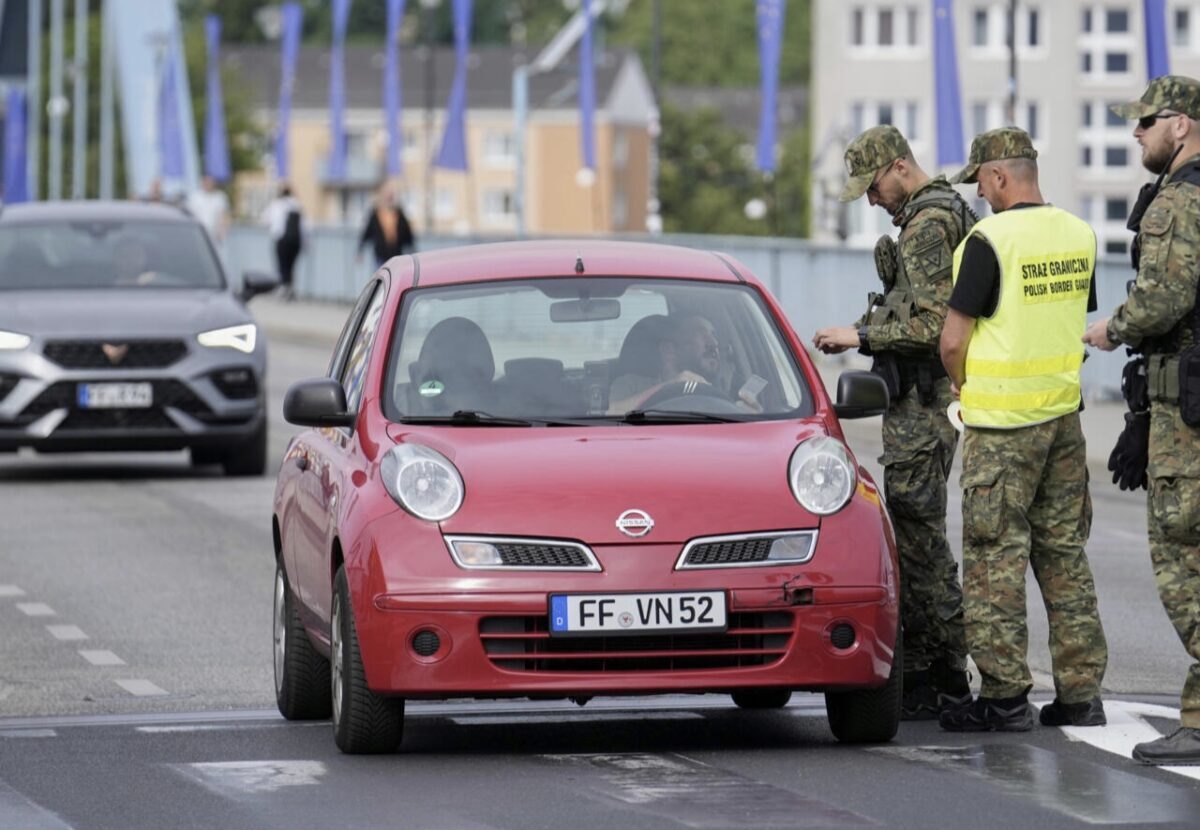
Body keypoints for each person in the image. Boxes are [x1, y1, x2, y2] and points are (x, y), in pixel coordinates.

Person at [939, 127, 1108, 732]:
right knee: (1064, 553)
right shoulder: (1078, 233)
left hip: (1003, 426)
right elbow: (1068, 317)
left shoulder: (989, 240)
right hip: (1064, 419)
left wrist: (960, 383)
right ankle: (1081, 695)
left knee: (993, 558)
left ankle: (1005, 696)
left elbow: (954, 338)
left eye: (981, 181)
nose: (979, 193)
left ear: (1002, 177)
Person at [812, 124, 975, 720]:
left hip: (925, 404)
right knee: (911, 533)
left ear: (899, 167)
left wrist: (861, 335)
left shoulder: (929, 225)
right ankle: (928, 667)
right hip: (922, 402)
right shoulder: (930, 218)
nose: (872, 200)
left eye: (874, 187)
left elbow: (936, 325)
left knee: (919, 538)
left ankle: (946, 670)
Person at [1083, 76, 1200, 765]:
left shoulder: (1179, 202)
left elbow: (1164, 299)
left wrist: (1111, 328)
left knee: (1180, 556)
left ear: (1180, 126)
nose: (1136, 134)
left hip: (1186, 412)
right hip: (1177, 399)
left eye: (1146, 122)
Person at [608, 315, 721, 413]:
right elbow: (610, 414)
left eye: (714, 335)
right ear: (668, 350)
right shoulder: (630, 385)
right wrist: (671, 387)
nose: (714, 343)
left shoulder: (723, 392)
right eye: (701, 334)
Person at [357, 181, 415, 269]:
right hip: (380, 256)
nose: (389, 197)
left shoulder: (399, 213)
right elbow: (367, 233)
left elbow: (408, 235)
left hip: (396, 256)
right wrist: (360, 250)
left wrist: (412, 252)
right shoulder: (376, 213)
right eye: (387, 194)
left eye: (391, 195)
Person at [261, 184, 304, 301]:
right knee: (291, 266)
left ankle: (284, 288)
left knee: (282, 265)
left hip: (281, 239)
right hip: (296, 241)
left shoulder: (276, 205)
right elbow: (304, 224)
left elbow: (265, 219)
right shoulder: (296, 204)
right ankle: (290, 288)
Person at [187, 175, 231, 245]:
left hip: (215, 236)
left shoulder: (220, 197)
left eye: (211, 182)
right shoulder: (195, 197)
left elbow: (225, 215)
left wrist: (222, 232)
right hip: (198, 235)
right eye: (207, 182)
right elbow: (189, 215)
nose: (208, 184)